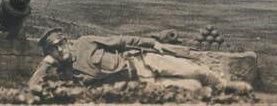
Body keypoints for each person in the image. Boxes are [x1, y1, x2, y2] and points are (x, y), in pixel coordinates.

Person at [28, 27, 226, 91]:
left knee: (197, 72)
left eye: (61, 43)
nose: (60, 49)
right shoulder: (66, 74)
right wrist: (45, 64)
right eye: (54, 49)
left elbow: (121, 41)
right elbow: (32, 88)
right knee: (193, 87)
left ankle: (228, 87)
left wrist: (152, 43)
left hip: (143, 61)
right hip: (141, 83)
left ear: (66, 40)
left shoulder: (84, 43)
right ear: (50, 54)